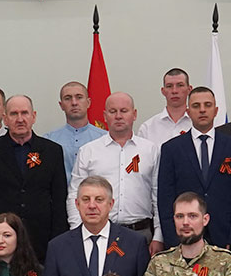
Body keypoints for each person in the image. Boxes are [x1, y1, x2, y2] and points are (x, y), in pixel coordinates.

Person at [43, 175, 151, 276]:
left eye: (99, 200)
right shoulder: (58, 247)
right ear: (77, 204)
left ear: (111, 204)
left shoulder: (134, 243)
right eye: (86, 199)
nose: (92, 206)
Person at [155, 86, 231, 253]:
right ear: (188, 111)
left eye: (207, 105)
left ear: (216, 110)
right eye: (196, 106)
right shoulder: (172, 149)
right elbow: (165, 198)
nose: (202, 110)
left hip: (225, 235)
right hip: (185, 235)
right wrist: (172, 239)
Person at [0, 95, 69, 256]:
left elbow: (59, 199)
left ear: (34, 116)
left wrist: (59, 239)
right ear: (5, 119)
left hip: (42, 239)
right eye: (14, 114)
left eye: (24, 113)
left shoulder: (52, 151)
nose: (20, 119)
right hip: (2, 239)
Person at [69, 93, 162, 246]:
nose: (118, 116)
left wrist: (158, 236)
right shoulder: (89, 151)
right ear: (105, 116)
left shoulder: (150, 150)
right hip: (99, 233)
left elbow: (157, 195)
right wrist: (76, 231)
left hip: (141, 233)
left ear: (134, 114)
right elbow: (75, 193)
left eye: (124, 111)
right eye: (113, 111)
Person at [46, 80, 103, 170]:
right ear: (61, 105)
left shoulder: (104, 138)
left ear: (88, 103)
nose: (74, 103)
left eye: (79, 97)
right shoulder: (49, 140)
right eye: (67, 98)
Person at [137, 68, 193, 145]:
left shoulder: (197, 124)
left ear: (189, 89)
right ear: (163, 91)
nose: (174, 91)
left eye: (180, 85)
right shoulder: (147, 128)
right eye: (169, 86)